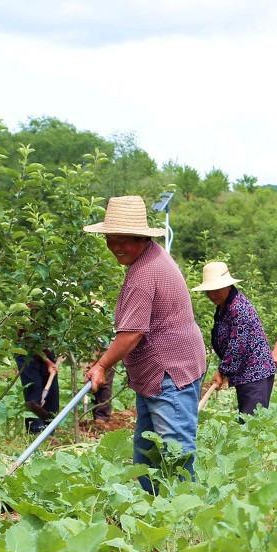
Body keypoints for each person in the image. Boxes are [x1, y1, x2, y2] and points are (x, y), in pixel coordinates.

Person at [83, 196, 207, 492]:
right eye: (111, 239)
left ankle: (184, 518)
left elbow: (131, 334)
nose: (116, 247)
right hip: (160, 371)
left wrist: (101, 365)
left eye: (123, 240)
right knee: (147, 451)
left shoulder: (144, 272)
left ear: (140, 238)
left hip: (169, 372)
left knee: (174, 452)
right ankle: (149, 510)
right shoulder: (151, 257)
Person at [195, 262, 277, 416]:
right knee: (247, 420)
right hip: (245, 373)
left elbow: (237, 347)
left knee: (252, 425)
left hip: (256, 373)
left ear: (227, 286)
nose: (212, 295)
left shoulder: (239, 309)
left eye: (216, 290)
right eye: (209, 291)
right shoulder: (224, 306)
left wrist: (222, 371)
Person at [15, 347, 59, 433]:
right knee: (34, 392)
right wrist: (48, 361)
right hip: (27, 353)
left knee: (51, 395)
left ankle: (49, 429)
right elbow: (29, 342)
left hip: (47, 351)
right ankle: (36, 430)